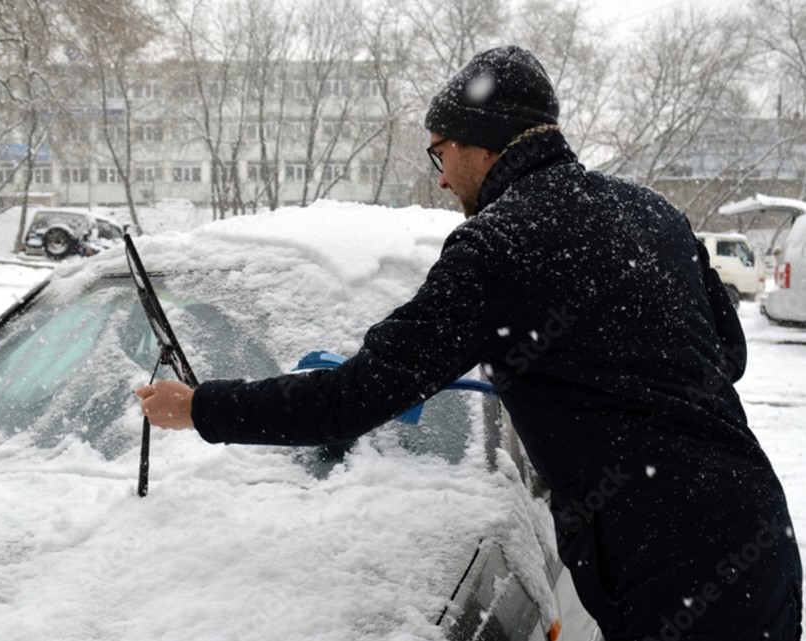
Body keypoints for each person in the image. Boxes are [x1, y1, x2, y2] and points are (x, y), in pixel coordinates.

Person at [136, 45, 802, 641]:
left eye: (440, 152)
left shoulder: (496, 246)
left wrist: (200, 408)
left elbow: (352, 398)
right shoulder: (653, 210)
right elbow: (728, 357)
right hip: (757, 539)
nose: (443, 177)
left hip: (666, 569)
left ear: (482, 143)